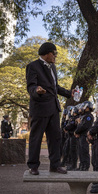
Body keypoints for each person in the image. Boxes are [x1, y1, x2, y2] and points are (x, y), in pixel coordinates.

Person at [26, 42, 73, 175]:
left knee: (55, 138)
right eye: (54, 53)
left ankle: (55, 165)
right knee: (36, 137)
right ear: (46, 53)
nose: (55, 56)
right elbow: (31, 86)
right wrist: (37, 90)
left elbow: (55, 87)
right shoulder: (33, 66)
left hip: (53, 108)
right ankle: (33, 166)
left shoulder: (53, 68)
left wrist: (70, 93)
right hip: (40, 108)